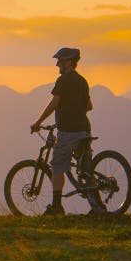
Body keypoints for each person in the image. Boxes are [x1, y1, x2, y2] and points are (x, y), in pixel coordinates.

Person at [29, 47, 94, 215]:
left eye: (60, 61)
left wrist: (38, 122)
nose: (57, 64)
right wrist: (74, 111)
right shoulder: (82, 81)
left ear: (69, 62)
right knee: (85, 169)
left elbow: (54, 103)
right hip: (84, 130)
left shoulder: (63, 80)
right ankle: (97, 207)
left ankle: (56, 206)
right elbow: (89, 106)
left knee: (57, 166)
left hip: (69, 132)